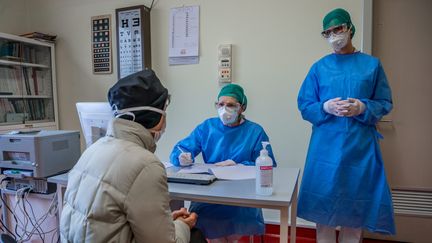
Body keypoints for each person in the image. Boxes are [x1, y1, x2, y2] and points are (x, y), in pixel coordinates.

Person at [60, 69, 206, 243]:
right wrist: (182, 225)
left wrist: (168, 222)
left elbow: (109, 222)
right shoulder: (146, 165)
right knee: (195, 236)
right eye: (164, 110)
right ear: (155, 115)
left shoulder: (92, 150)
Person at [297, 8, 396, 243]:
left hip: (360, 150)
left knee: (355, 214)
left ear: (350, 28)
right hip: (325, 150)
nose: (334, 35)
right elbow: (305, 105)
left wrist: (363, 107)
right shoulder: (319, 68)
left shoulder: (371, 66)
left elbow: (385, 102)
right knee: (324, 214)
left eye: (338, 29)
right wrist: (324, 107)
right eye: (328, 32)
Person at [170, 83, 277, 242]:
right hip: (209, 196)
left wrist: (239, 165)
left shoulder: (255, 131)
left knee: (231, 236)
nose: (224, 109)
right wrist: (181, 156)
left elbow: (269, 165)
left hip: (242, 198)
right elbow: (181, 147)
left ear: (242, 107)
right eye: (220, 104)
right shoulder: (207, 127)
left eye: (231, 105)